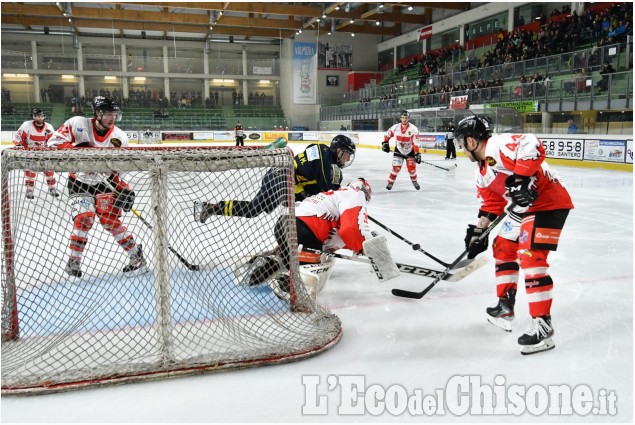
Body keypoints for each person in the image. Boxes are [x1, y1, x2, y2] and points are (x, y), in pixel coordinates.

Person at [454, 115, 574, 355]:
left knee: (530, 256)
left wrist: (519, 180)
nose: (461, 149)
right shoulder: (482, 172)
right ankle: (505, 306)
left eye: (461, 143)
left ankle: (543, 327)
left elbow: (532, 143)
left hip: (549, 204)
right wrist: (480, 231)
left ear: (470, 141)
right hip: (525, 210)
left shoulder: (496, 145)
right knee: (502, 247)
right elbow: (491, 204)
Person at [47, 96, 146, 278]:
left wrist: (124, 189)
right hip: (79, 182)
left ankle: (135, 255)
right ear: (98, 113)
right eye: (108, 114)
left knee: (111, 222)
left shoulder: (119, 137)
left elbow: (122, 168)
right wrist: (79, 152)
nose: (112, 118)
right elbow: (53, 142)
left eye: (115, 114)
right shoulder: (78, 124)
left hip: (105, 183)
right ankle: (74, 260)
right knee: (84, 219)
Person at [248, 178, 376, 299]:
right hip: (304, 230)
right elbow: (351, 229)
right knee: (318, 270)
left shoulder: (333, 198)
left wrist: (359, 245)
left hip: (284, 224)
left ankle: (277, 260)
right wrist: (367, 246)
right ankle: (291, 283)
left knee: (296, 255)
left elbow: (339, 235)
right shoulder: (355, 193)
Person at [194, 135, 356, 221]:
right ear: (337, 150)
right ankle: (212, 208)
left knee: (254, 209)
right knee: (257, 210)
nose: (347, 159)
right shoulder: (331, 167)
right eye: (346, 154)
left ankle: (213, 208)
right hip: (282, 181)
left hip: (278, 176)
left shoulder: (319, 148)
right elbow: (332, 195)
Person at [13, 108, 59, 199]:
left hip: (44, 152)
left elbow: (52, 140)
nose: (40, 118)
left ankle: (52, 188)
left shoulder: (48, 127)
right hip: (30, 152)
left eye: (41, 116)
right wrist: (19, 145)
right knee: (30, 172)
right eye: (38, 116)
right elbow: (17, 137)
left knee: (49, 171)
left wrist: (53, 146)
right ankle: (29, 190)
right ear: (34, 117)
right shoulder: (27, 125)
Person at [381, 110, 421, 190]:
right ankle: (390, 182)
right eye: (403, 118)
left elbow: (416, 142)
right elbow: (387, 135)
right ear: (400, 118)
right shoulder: (395, 127)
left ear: (408, 118)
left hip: (410, 151)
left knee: (412, 169)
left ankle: (414, 181)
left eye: (406, 118)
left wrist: (417, 154)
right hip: (398, 150)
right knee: (396, 168)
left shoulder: (413, 129)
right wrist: (385, 143)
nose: (404, 119)